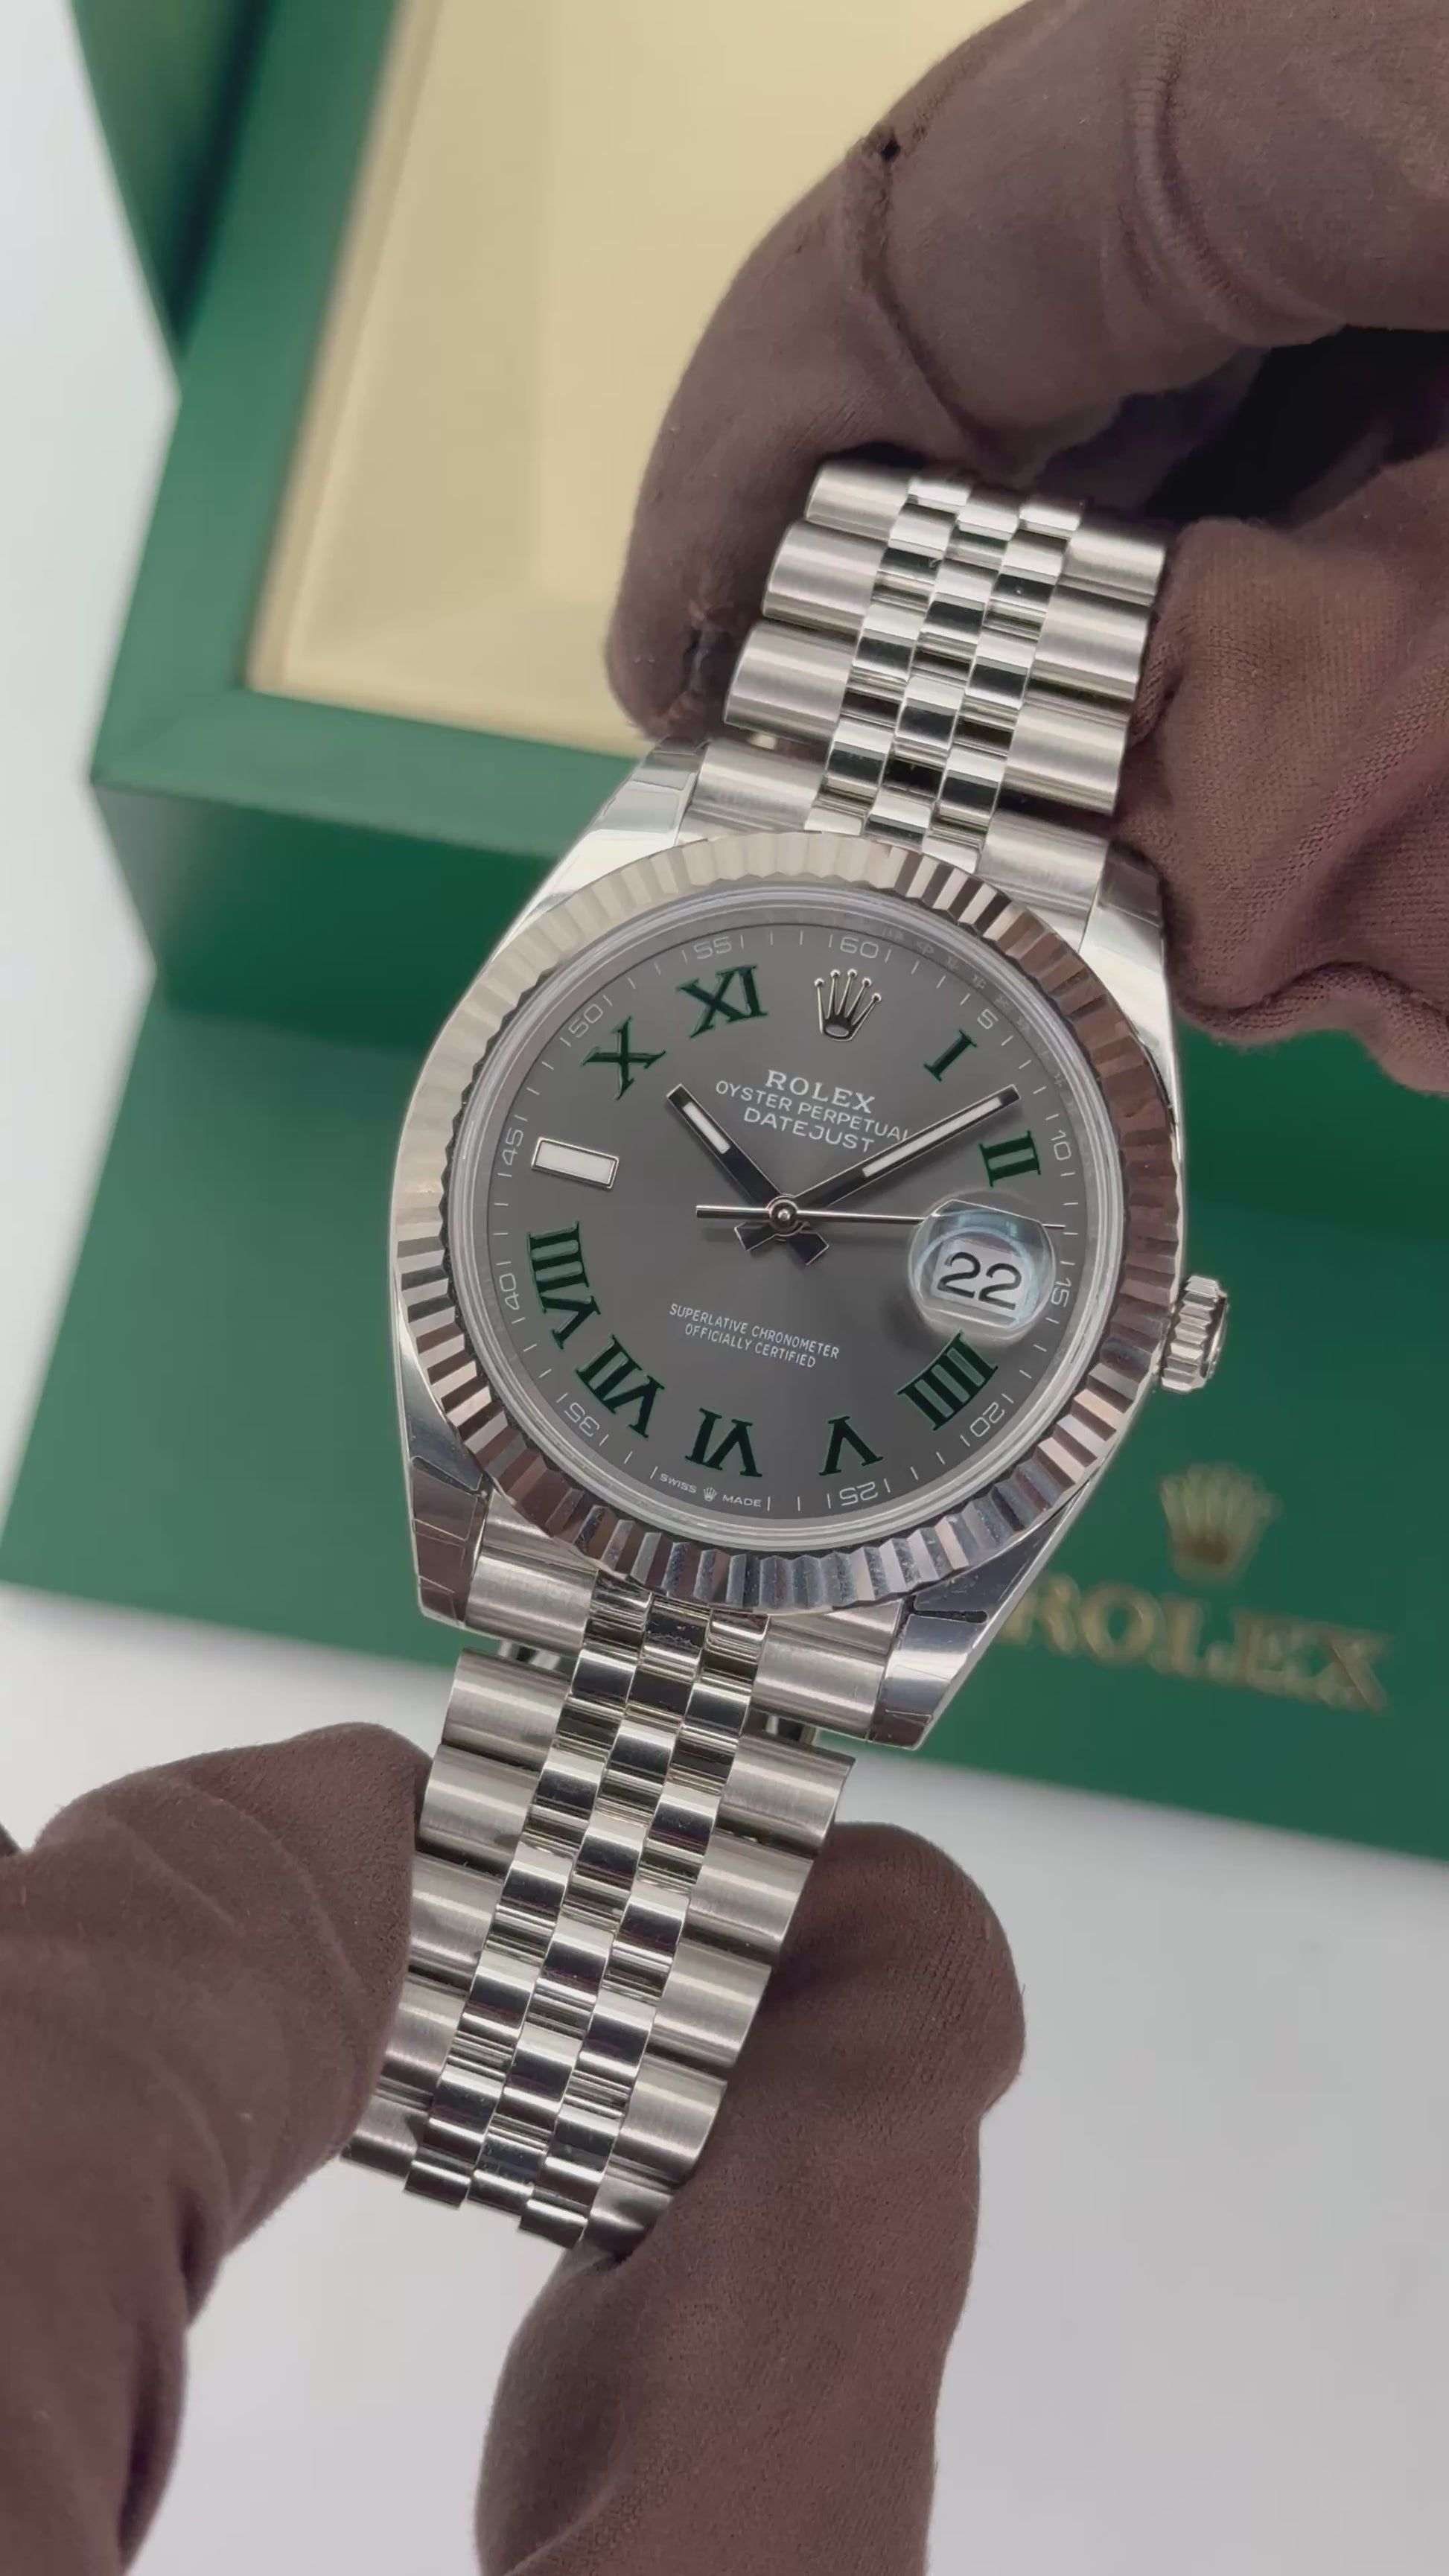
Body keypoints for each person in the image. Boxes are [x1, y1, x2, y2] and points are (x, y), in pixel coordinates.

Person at [3, 0, 1448, 2565]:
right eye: (757, 1191)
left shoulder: (1003, 1077)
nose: (781, 1223)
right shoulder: (624, 1031)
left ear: (1141, 1326)